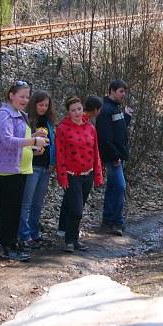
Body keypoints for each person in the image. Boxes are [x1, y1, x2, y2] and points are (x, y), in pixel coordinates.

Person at [0, 81, 49, 262]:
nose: (25, 100)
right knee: (7, 210)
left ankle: (14, 242)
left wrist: (35, 141)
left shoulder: (20, 114)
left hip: (21, 169)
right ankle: (7, 246)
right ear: (11, 95)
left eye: (27, 96)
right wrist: (33, 142)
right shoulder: (4, 114)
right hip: (7, 169)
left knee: (16, 209)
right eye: (21, 96)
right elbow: (8, 140)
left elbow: (21, 139)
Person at [56, 96, 103, 253]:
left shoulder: (90, 128)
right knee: (76, 209)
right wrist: (62, 177)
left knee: (79, 208)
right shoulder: (63, 128)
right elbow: (60, 154)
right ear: (68, 112)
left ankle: (74, 239)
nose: (77, 112)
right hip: (72, 175)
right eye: (73, 110)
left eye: (79, 109)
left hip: (87, 174)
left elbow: (95, 152)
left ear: (83, 109)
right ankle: (69, 240)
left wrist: (98, 174)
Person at [18, 90, 57, 249]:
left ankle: (34, 233)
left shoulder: (49, 122)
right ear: (34, 104)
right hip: (31, 165)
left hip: (45, 167)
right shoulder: (27, 120)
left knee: (37, 203)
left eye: (46, 105)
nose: (43, 108)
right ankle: (24, 234)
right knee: (26, 202)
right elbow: (21, 142)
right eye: (41, 105)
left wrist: (52, 162)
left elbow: (52, 143)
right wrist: (34, 137)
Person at [95, 80, 131, 236]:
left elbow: (120, 130)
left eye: (124, 92)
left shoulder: (115, 108)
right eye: (121, 91)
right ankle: (116, 222)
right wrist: (115, 156)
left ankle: (108, 221)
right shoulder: (105, 109)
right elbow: (104, 137)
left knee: (113, 187)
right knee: (120, 187)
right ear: (112, 91)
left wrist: (127, 117)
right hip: (112, 157)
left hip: (117, 155)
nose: (124, 95)